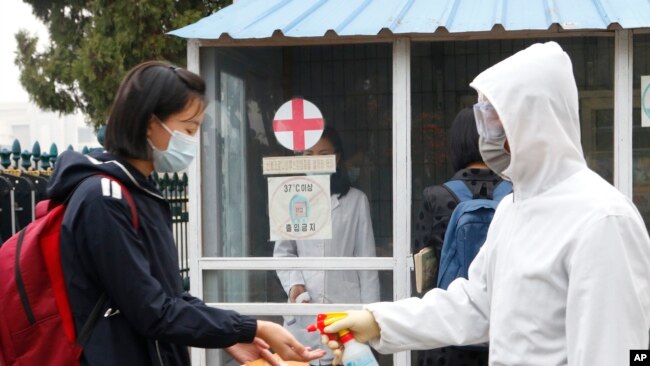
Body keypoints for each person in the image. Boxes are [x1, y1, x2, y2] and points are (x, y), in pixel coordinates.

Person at [324, 42, 650, 365]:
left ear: (535, 121)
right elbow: (476, 304)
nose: (486, 133)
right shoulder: (511, 209)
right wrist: (379, 321)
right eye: (483, 116)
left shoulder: (602, 219)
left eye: (495, 117)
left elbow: (614, 352)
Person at [47, 61, 325, 366]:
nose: (193, 140)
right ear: (150, 123)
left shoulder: (140, 192)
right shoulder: (104, 199)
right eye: (188, 128)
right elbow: (153, 312)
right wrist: (255, 327)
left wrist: (231, 335)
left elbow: (171, 298)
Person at [274, 126, 380, 366]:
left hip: (345, 307)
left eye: (323, 155)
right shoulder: (290, 198)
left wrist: (370, 317)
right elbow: (283, 252)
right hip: (303, 310)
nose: (315, 162)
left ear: (337, 157)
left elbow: (367, 263)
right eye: (308, 155)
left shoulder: (355, 200)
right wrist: (295, 285)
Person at [413, 107, 503, 366]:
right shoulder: (516, 196)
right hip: (501, 335)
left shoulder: (436, 197)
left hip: (447, 337)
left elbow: (423, 276)